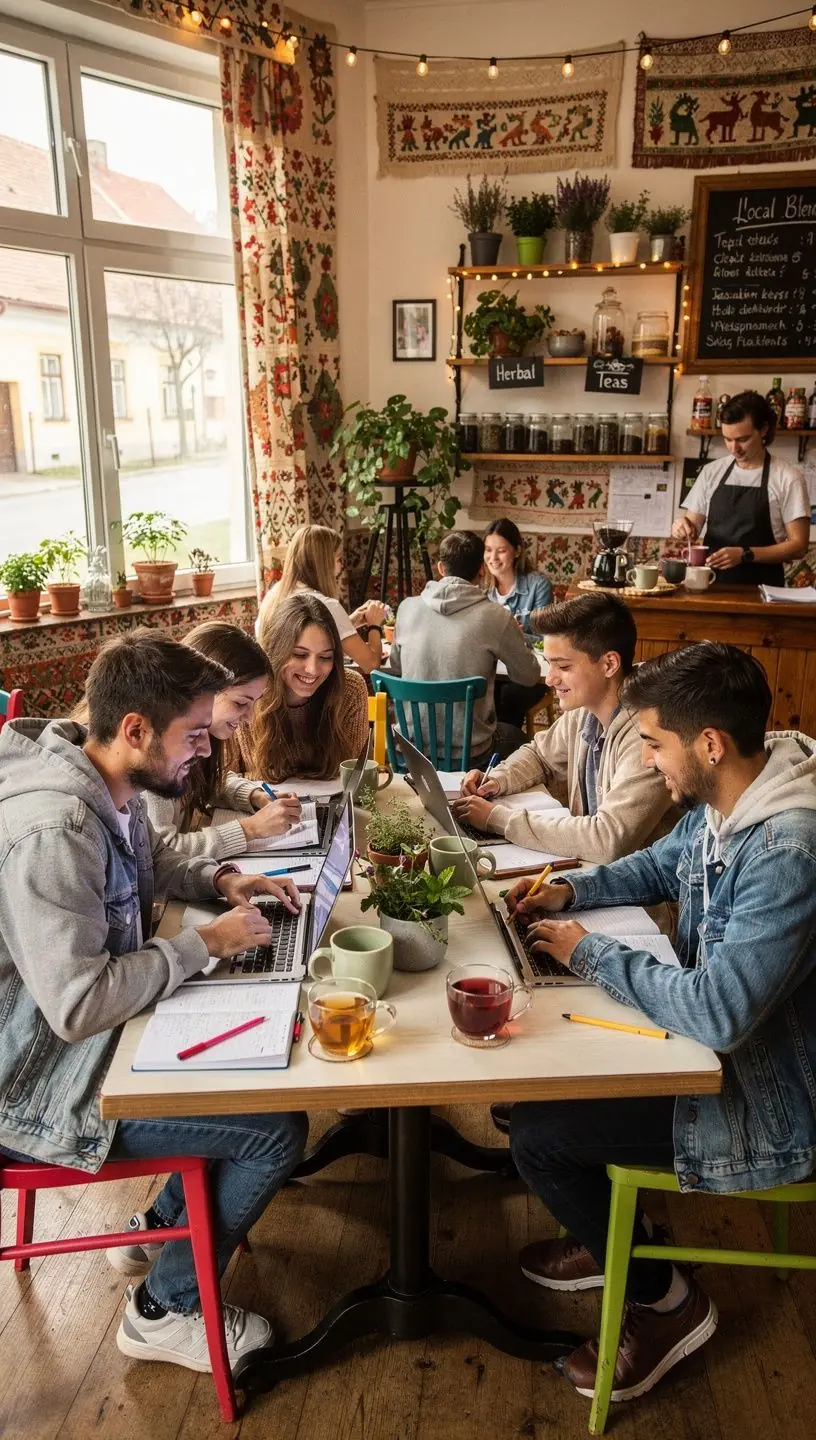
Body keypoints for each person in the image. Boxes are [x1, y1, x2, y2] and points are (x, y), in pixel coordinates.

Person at [505, 643, 816, 1406]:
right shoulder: (738, 790)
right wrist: (569, 892)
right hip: (711, 1057)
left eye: (653, 744)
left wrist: (589, 952)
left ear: (708, 744)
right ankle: (609, 1236)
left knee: (539, 1136)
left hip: (762, 1097)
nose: (645, 760)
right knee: (529, 1090)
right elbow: (656, 866)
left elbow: (717, 1013)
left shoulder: (787, 850)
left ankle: (668, 1300)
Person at [0, 630, 308, 1374]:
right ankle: (164, 1310)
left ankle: (164, 1224)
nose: (205, 749)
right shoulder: (55, 829)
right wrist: (204, 945)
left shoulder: (106, 779)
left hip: (80, 1045)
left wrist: (224, 881)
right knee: (275, 1129)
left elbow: (155, 861)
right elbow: (78, 1005)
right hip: (35, 1085)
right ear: (135, 729)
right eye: (193, 735)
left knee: (262, 1061)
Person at [454, 593, 675, 863]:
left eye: (563, 666)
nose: (550, 679)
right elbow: (539, 755)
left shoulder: (649, 735)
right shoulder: (585, 708)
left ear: (609, 664)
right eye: (549, 664)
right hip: (592, 870)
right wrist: (497, 780)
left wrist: (496, 819)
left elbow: (607, 839)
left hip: (637, 888)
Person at [145, 621, 302, 858]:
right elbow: (161, 852)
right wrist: (250, 829)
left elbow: (208, 781)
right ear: (202, 690)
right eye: (240, 703)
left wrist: (255, 796)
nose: (250, 718)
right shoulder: (156, 750)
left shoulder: (198, 734)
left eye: (255, 703)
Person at [389, 529, 541, 765]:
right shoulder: (496, 616)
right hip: (470, 755)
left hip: (409, 751)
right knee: (524, 743)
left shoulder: (406, 608)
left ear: (441, 568)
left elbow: (396, 668)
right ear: (482, 569)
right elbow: (529, 676)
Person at [672, 390, 809, 586]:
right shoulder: (711, 472)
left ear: (763, 430)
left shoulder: (788, 478)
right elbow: (692, 528)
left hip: (764, 589)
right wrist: (681, 527)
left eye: (743, 439)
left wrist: (745, 554)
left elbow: (799, 546)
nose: (734, 448)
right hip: (710, 585)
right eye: (727, 439)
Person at [244, 591, 369, 782]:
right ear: (276, 652)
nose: (312, 669)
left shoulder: (351, 689)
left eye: (325, 657)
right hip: (263, 800)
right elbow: (223, 779)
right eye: (300, 655)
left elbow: (355, 776)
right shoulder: (248, 693)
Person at [255, 522, 388, 674]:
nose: (341, 567)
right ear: (324, 563)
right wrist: (374, 626)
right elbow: (371, 665)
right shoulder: (327, 606)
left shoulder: (274, 595)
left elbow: (308, 638)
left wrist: (350, 621)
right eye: (338, 559)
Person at [483, 518, 553, 732]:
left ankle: (506, 745)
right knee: (481, 690)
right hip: (492, 669)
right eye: (488, 550)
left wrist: (516, 636)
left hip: (528, 674)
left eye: (501, 551)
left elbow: (546, 640)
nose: (493, 558)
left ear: (517, 551)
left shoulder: (538, 586)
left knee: (508, 696)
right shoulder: (480, 589)